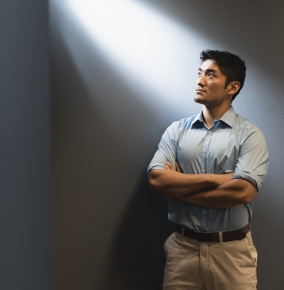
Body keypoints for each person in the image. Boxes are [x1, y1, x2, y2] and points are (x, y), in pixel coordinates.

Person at [147, 50, 269, 290]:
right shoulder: (176, 131)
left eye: (210, 75)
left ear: (232, 87)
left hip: (231, 254)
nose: (200, 81)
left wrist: (179, 189)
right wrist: (216, 179)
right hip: (183, 250)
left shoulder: (250, 135)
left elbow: (242, 192)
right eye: (200, 73)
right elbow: (157, 180)